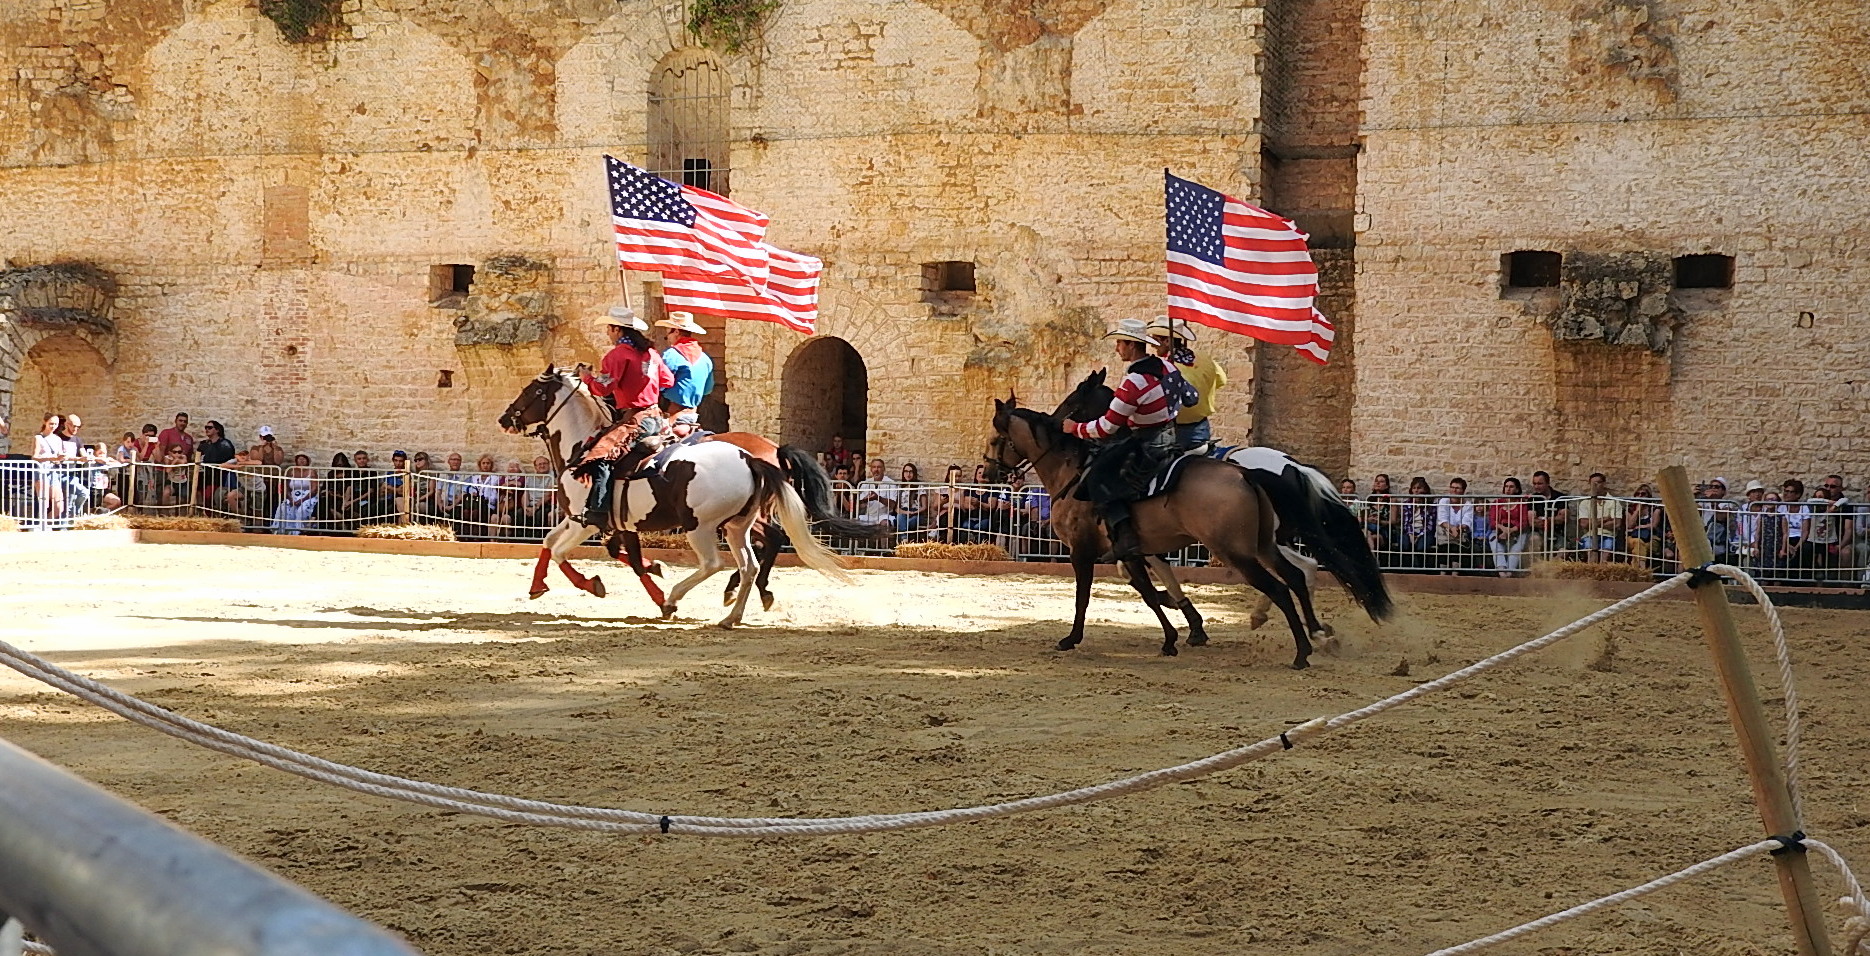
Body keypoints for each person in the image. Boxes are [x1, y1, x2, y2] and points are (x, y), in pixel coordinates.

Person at [1061, 318, 1179, 561]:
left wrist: (1075, 428)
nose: (1117, 348)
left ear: (1132, 345)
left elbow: (1106, 428)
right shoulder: (1169, 367)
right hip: (1173, 434)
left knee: (1098, 477)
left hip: (1148, 441)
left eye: (1119, 343)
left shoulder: (1133, 382)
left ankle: (1125, 537)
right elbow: (1191, 398)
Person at [575, 306, 672, 527]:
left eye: (609, 329)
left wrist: (587, 378)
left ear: (617, 329)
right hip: (656, 415)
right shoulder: (652, 353)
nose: (608, 334)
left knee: (600, 456)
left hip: (636, 418)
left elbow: (603, 388)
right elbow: (668, 381)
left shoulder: (617, 355)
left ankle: (597, 511)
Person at [1146, 316, 1226, 449]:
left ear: (1167, 341)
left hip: (1177, 429)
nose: (1152, 344)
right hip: (1201, 425)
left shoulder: (1167, 368)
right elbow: (1221, 380)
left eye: (1155, 339)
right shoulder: (1203, 357)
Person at [655, 311, 714, 416]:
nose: (667, 337)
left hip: (671, 410)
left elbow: (659, 383)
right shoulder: (706, 359)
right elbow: (707, 389)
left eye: (668, 332)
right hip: (693, 412)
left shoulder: (671, 355)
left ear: (676, 332)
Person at [196, 421, 242, 515]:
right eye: (206, 427)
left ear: (217, 430)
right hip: (204, 475)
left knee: (213, 498)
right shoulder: (203, 444)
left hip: (219, 477)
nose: (207, 429)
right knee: (203, 498)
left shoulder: (225, 444)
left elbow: (230, 459)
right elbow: (199, 458)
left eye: (209, 427)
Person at [1488, 477, 1531, 576]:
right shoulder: (1497, 503)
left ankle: (1509, 572)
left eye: (1511, 487)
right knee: (1496, 546)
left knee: (1516, 549)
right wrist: (1503, 529)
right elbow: (1492, 520)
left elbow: (1524, 522)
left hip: (1517, 530)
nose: (1508, 489)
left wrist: (1511, 530)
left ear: (1517, 489)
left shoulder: (1522, 504)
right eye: (1506, 486)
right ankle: (1502, 571)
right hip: (1499, 530)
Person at [1575, 472, 1621, 563]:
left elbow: (1616, 524)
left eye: (1598, 483)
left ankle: (1601, 570)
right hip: (1589, 535)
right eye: (1593, 483)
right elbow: (1584, 524)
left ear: (1604, 483)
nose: (1596, 485)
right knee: (1588, 545)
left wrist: (1593, 523)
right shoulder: (1585, 502)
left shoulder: (1613, 502)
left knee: (1607, 546)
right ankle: (1592, 569)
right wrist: (1604, 519)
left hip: (1608, 535)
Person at [1434, 477, 1477, 572]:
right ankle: (1443, 574)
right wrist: (1452, 528)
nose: (1454, 490)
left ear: (1463, 490)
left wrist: (1457, 529)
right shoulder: (1444, 501)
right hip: (1445, 532)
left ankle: (1455, 574)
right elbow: (1442, 519)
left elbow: (1467, 521)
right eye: (1452, 487)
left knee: (1457, 548)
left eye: (1457, 488)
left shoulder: (1468, 505)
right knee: (1444, 547)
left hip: (1460, 533)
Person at [271, 454, 319, 535]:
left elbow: (314, 489)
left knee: (302, 510)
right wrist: (290, 498)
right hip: (293, 496)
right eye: (300, 459)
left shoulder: (312, 472)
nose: (302, 461)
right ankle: (283, 531)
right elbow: (286, 487)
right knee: (283, 509)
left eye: (304, 459)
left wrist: (302, 500)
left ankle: (301, 531)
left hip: (307, 496)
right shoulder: (290, 471)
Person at [1526, 470, 1568, 561]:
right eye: (1535, 483)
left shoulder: (1560, 497)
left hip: (1558, 532)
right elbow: (1532, 522)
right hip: (1538, 532)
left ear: (1548, 483)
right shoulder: (1532, 499)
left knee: (1563, 550)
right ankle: (1537, 569)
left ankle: (1550, 570)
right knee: (1533, 540)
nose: (1536, 486)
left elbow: (1563, 518)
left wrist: (1545, 520)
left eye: (1540, 483)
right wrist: (1553, 519)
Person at [1399, 476, 1435, 569]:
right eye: (1414, 488)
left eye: (1419, 488)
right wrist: (1411, 534)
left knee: (1421, 547)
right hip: (1409, 531)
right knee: (1404, 544)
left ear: (1424, 490)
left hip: (1425, 532)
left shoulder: (1430, 506)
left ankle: (1421, 570)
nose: (1416, 491)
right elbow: (1406, 522)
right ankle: (1406, 570)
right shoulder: (1407, 504)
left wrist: (1419, 535)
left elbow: (1430, 524)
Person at [1625, 482, 1662, 569]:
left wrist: (1640, 527)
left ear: (1648, 496)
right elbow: (1630, 525)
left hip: (1651, 539)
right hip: (1633, 538)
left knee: (1639, 548)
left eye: (1643, 494)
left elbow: (1654, 525)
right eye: (1638, 494)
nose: (1640, 496)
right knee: (1638, 543)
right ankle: (1642, 569)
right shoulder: (1630, 509)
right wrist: (1637, 510)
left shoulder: (1654, 509)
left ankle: (1636, 570)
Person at [855, 457, 897, 532]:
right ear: (871, 469)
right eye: (874, 467)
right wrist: (865, 500)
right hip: (869, 515)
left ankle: (884, 544)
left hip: (884, 515)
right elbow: (859, 505)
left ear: (884, 469)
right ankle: (863, 544)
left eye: (879, 467)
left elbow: (893, 505)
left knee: (885, 524)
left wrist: (878, 498)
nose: (876, 470)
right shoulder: (865, 483)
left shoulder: (891, 483)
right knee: (857, 523)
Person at [893, 462, 925, 537]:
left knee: (910, 522)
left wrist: (914, 512)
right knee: (900, 517)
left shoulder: (919, 486)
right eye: (906, 471)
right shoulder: (900, 487)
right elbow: (896, 508)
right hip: (903, 512)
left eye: (911, 472)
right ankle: (905, 540)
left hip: (916, 512)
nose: (908, 474)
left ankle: (903, 540)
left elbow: (924, 506)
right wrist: (906, 512)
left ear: (914, 473)